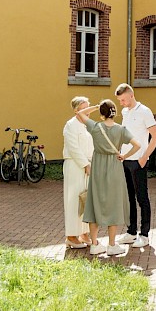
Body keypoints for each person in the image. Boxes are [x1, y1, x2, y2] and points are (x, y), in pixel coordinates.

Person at [77, 99, 141, 256]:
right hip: (114, 168)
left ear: (101, 114)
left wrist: (96, 107)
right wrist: (124, 156)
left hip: (98, 168)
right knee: (113, 205)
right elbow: (137, 145)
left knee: (95, 204)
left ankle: (94, 244)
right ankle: (112, 245)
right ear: (115, 112)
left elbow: (79, 113)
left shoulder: (95, 127)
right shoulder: (121, 129)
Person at [115, 84, 156, 250]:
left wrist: (144, 157)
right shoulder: (125, 112)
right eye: (119, 100)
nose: (121, 103)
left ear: (131, 95)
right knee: (128, 199)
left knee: (142, 197)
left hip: (139, 161)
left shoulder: (144, 111)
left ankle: (144, 234)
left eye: (123, 99)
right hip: (125, 160)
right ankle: (131, 231)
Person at [62, 96, 93, 249]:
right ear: (76, 110)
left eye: (89, 107)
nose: (88, 111)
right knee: (74, 200)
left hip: (87, 165)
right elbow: (73, 147)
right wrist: (85, 164)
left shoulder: (86, 126)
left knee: (85, 200)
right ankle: (71, 235)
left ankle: (84, 232)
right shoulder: (70, 125)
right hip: (75, 166)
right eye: (84, 108)